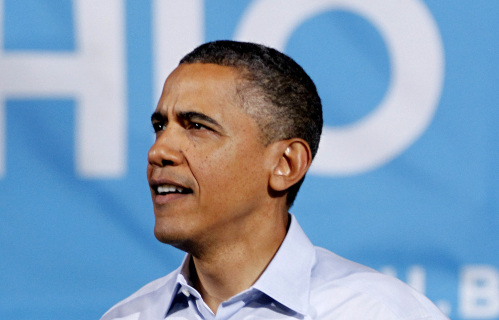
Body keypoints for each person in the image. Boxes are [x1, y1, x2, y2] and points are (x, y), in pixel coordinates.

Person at [100, 41, 448, 320]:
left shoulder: (377, 312)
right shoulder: (128, 315)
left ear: (286, 164)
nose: (159, 150)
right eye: (160, 126)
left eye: (197, 126)